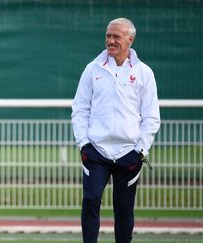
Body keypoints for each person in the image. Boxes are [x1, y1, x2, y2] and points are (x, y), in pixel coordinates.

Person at [71, 18, 160, 243]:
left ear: (130, 40)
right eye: (108, 36)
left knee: (124, 209)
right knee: (91, 200)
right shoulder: (92, 69)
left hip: (129, 154)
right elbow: (80, 109)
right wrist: (84, 144)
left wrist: (140, 151)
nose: (110, 41)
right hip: (96, 153)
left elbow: (151, 116)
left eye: (116, 37)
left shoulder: (144, 72)